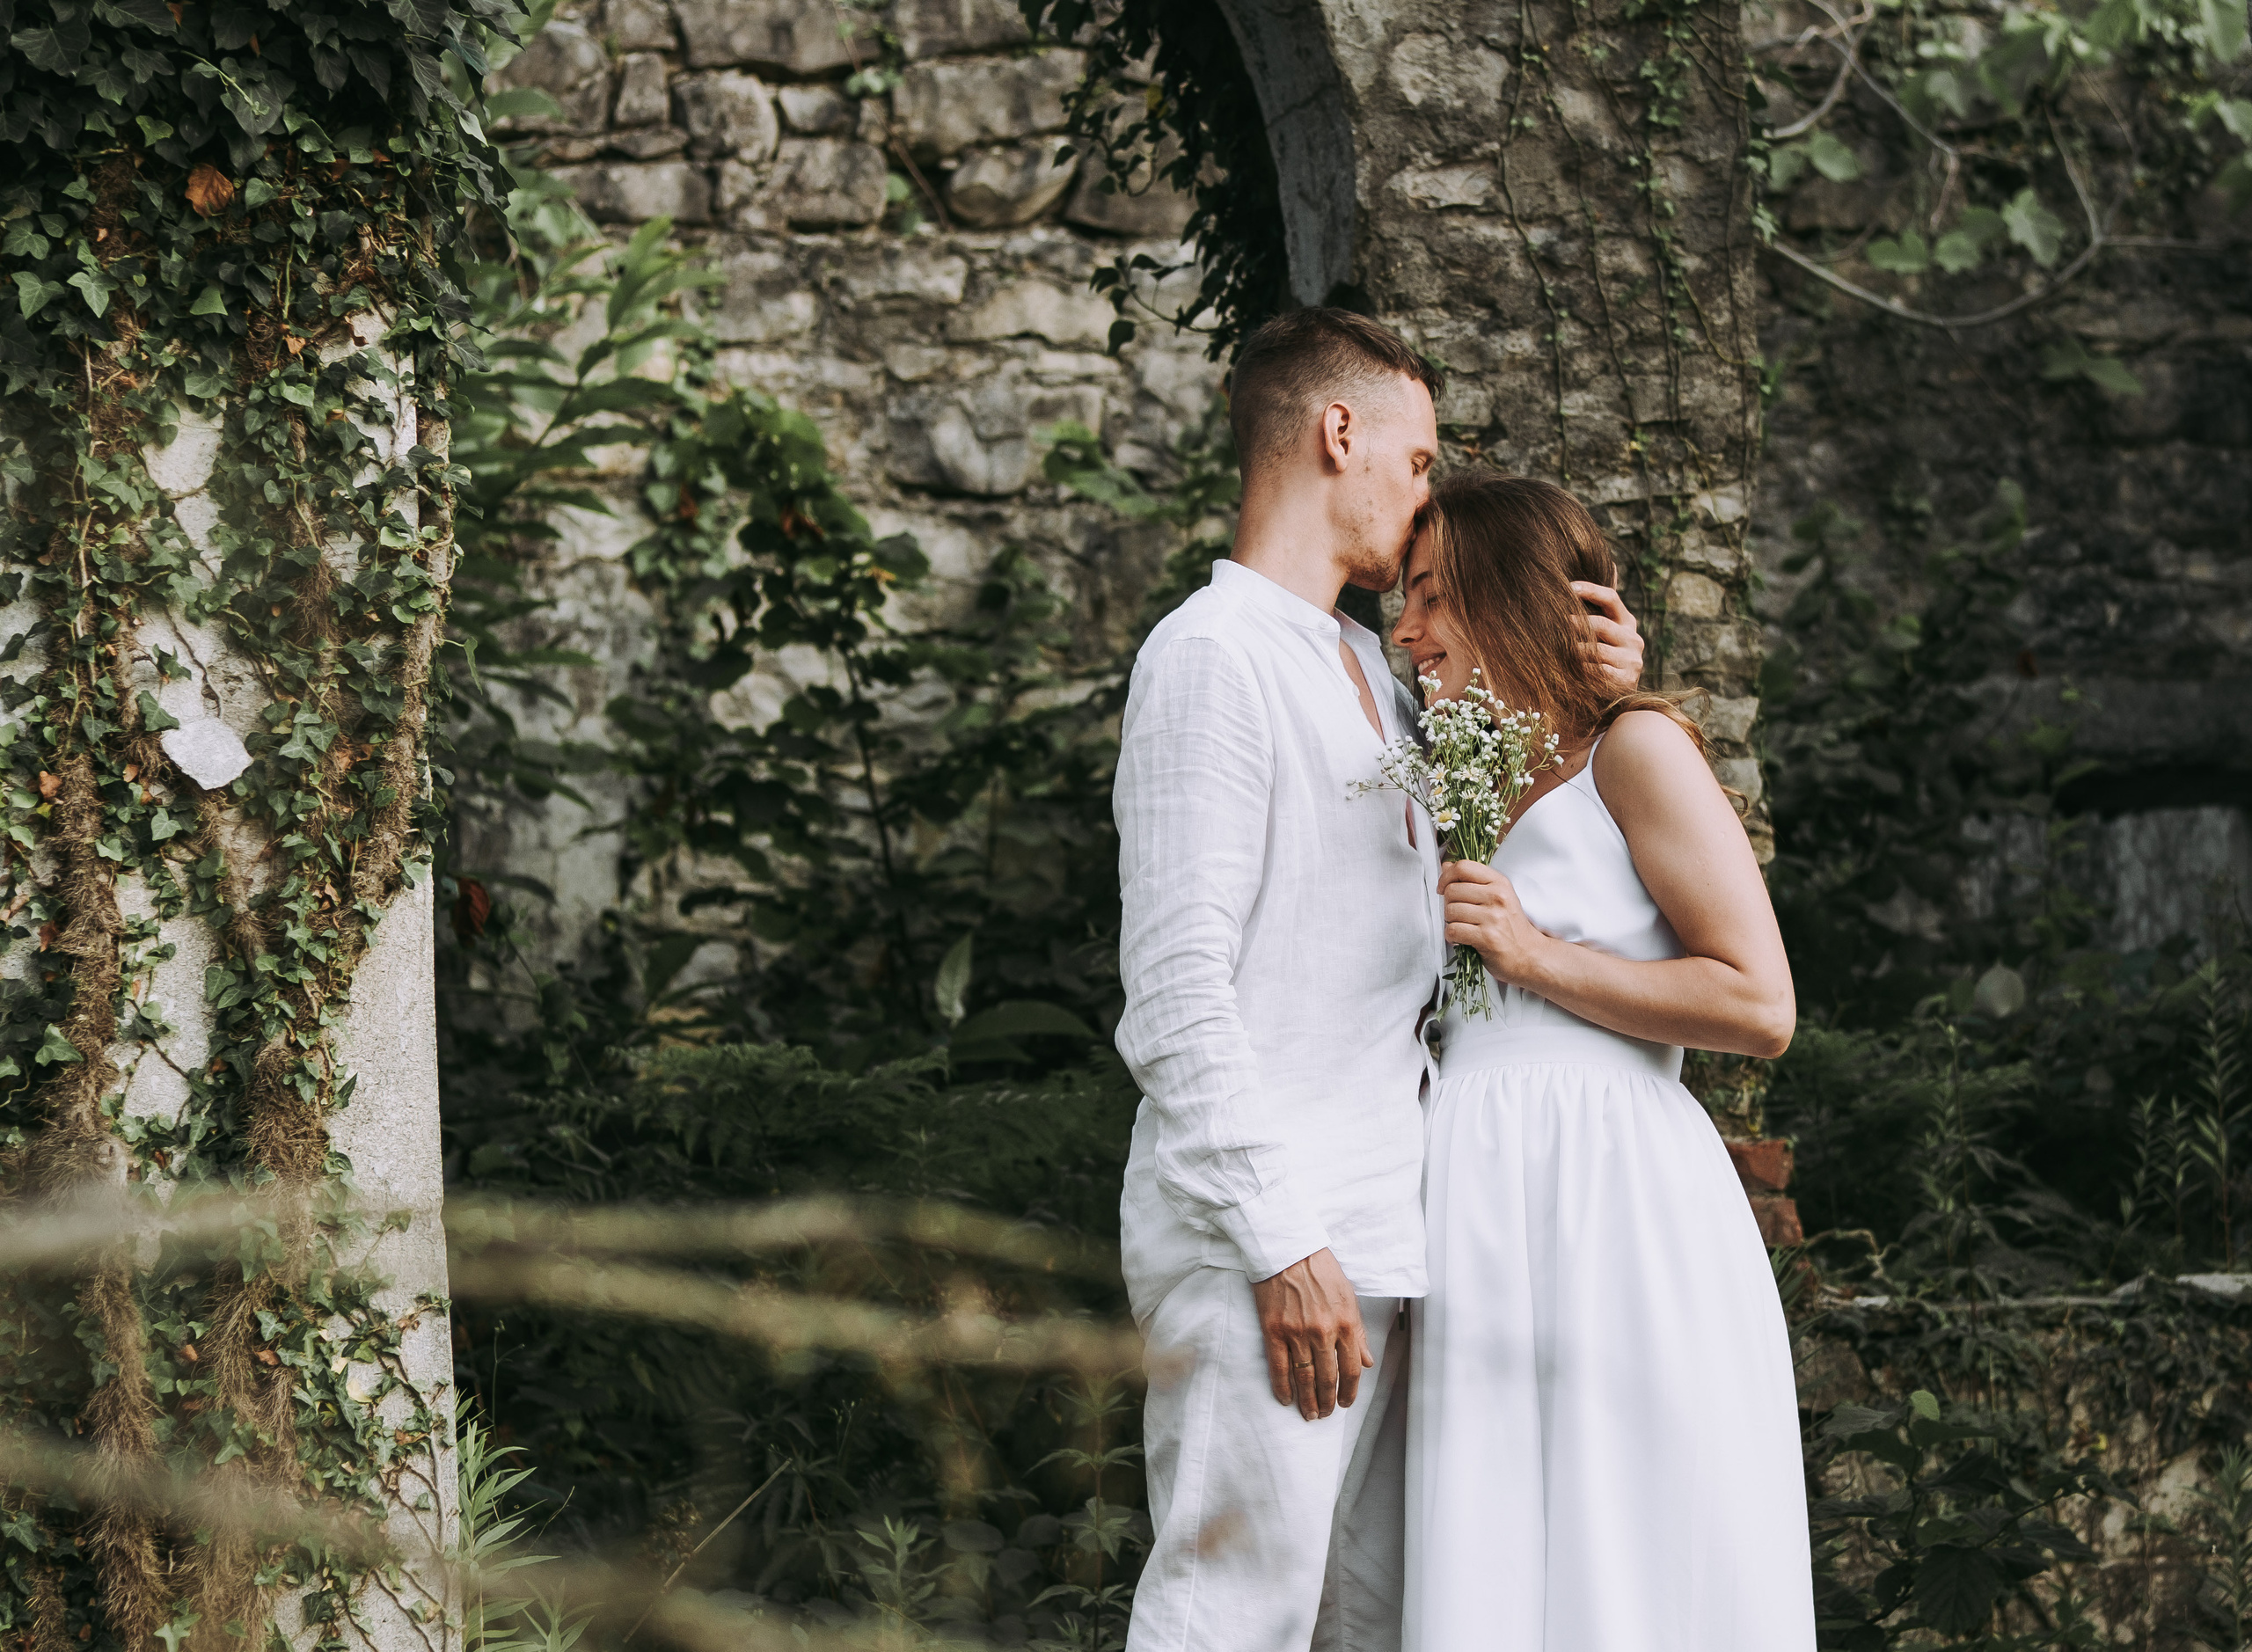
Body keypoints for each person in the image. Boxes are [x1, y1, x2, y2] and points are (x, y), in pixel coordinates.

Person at [1111, 311, 1644, 1652]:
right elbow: (1174, 994)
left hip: (1393, 1230)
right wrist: (1282, 1241)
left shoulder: (1365, 663)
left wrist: (1606, 688)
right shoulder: (1212, 657)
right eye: (1416, 462)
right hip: (1267, 1243)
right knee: (1229, 1617)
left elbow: (1536, 805)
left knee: (1377, 1623)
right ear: (1337, 432)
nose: (1424, 497)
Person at [1393, 473, 1815, 1650]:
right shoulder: (1447, 765)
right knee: (1492, 1548)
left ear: (1510, 594)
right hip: (1474, 1201)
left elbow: (1760, 1001)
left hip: (1613, 1192)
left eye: (1432, 595)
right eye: (1402, 599)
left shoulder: (1634, 751)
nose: (1406, 629)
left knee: (1631, 1531)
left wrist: (1536, 954)